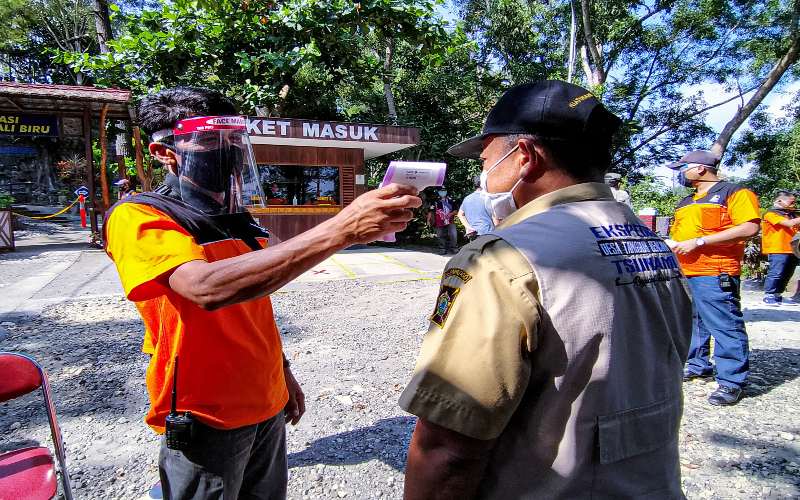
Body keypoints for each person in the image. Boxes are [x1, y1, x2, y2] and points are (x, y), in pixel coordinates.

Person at [103, 87, 420, 499]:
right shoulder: (140, 216)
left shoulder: (236, 217)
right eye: (213, 142)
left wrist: (282, 372)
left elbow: (255, 305)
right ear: (166, 152)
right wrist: (342, 229)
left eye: (236, 141)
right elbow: (204, 288)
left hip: (266, 399)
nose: (230, 153)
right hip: (206, 412)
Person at [400, 80, 693, 499]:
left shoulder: (502, 259)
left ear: (524, 157)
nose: (482, 175)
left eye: (485, 159)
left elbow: (449, 448)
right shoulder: (651, 243)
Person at [668, 150, 760, 406]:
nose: (680, 174)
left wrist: (700, 241)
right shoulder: (686, 202)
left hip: (716, 271)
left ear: (700, 169)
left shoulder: (735, 193)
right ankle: (697, 364)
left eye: (682, 168)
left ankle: (732, 382)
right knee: (694, 321)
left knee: (724, 324)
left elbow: (749, 227)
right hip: (688, 272)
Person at [761, 190, 800, 306]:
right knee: (776, 272)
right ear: (779, 201)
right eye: (791, 202)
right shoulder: (771, 214)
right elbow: (789, 224)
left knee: (788, 273)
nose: (794, 205)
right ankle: (769, 295)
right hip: (777, 248)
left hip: (793, 248)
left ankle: (777, 295)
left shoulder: (791, 214)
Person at [457, 175, 496, 241]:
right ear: (484, 183)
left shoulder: (467, 198)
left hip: (473, 233)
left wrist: (468, 227)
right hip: (487, 232)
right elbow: (495, 217)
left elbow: (460, 214)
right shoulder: (488, 198)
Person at [427, 189, 458, 254]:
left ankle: (454, 248)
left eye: (444, 191)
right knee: (440, 235)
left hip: (450, 220)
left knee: (453, 234)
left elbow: (456, 211)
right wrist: (428, 221)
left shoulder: (451, 201)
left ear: (446, 192)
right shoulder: (435, 202)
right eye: (441, 191)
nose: (443, 192)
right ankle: (442, 249)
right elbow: (430, 211)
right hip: (439, 221)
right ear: (438, 192)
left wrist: (450, 214)